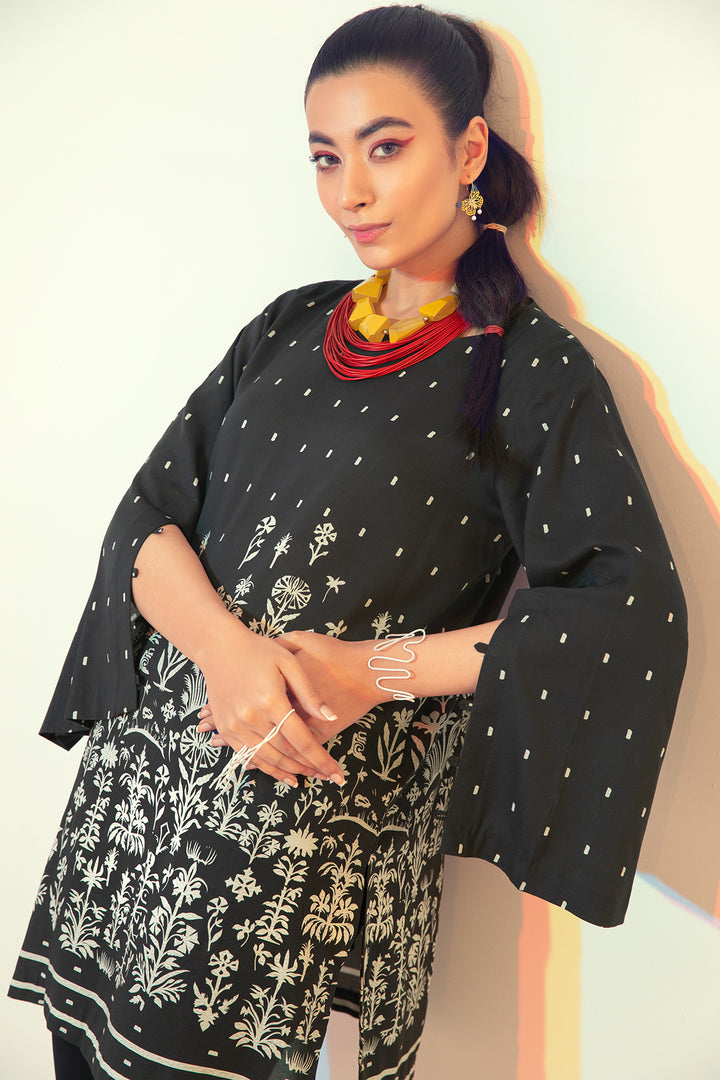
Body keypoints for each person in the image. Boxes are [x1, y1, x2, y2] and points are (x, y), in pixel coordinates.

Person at [8, 6, 687, 1080]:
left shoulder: (531, 369)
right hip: (131, 813)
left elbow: (622, 612)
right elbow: (145, 518)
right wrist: (229, 656)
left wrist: (371, 672)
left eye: (385, 147)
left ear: (469, 150)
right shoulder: (288, 325)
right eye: (326, 158)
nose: (350, 193)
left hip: (289, 851)